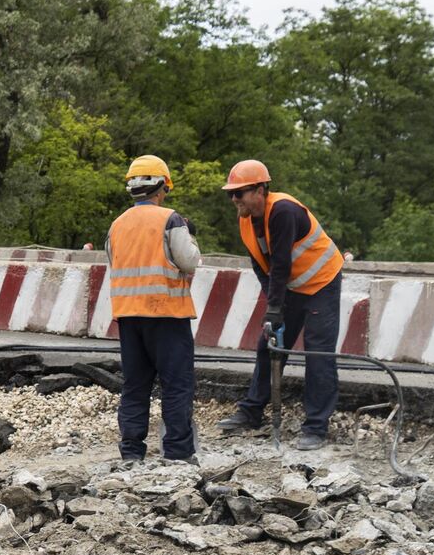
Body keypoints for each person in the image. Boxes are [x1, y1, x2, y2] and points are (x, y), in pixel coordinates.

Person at [217, 160, 343, 450]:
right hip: (291, 286)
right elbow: (263, 267)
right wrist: (274, 307)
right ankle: (251, 412)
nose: (234, 199)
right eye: (231, 194)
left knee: (317, 351)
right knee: (270, 344)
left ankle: (315, 426)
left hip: (321, 282)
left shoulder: (283, 211)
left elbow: (282, 262)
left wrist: (276, 306)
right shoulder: (246, 220)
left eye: (240, 193)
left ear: (260, 190)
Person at [105, 155, 201, 462]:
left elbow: (113, 262)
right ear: (162, 188)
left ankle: (131, 453)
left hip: (129, 317)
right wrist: (190, 235)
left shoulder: (116, 225)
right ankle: (177, 453)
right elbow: (189, 262)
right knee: (176, 385)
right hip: (167, 315)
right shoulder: (170, 220)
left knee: (135, 386)